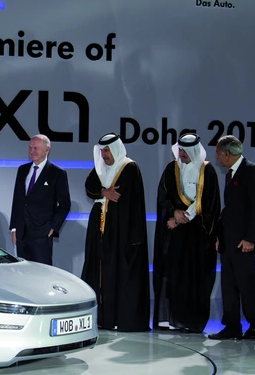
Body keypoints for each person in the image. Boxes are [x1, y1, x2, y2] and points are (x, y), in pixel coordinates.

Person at [81, 133, 150, 331]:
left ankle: (119, 319)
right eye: (102, 150)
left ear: (116, 150)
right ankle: (103, 317)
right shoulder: (100, 168)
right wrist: (104, 191)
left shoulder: (129, 167)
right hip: (100, 231)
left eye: (107, 150)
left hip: (121, 232)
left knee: (118, 273)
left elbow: (126, 199)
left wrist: (106, 193)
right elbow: (90, 186)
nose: (104, 155)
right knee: (98, 271)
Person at [152, 133, 220, 333]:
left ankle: (192, 322)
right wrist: (173, 212)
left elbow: (209, 202)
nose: (182, 153)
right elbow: (163, 196)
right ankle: (172, 320)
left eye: (185, 150)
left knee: (194, 277)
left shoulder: (207, 170)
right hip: (174, 234)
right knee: (173, 275)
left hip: (198, 235)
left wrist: (185, 216)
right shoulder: (171, 169)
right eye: (180, 149)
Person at [208, 135, 255, 340]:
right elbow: (230, 210)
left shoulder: (252, 171)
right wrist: (220, 236)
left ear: (227, 154)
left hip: (245, 242)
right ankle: (232, 326)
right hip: (229, 241)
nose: (217, 157)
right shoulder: (230, 174)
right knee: (228, 286)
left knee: (245, 285)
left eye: (218, 153)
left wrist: (250, 238)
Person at [9, 134, 71, 264]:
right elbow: (18, 200)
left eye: (35, 148)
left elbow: (64, 204)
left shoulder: (57, 173)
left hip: (42, 233)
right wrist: (14, 228)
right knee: (23, 270)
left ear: (46, 150)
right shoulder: (22, 170)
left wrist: (53, 227)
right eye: (30, 148)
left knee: (42, 271)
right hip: (21, 232)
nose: (32, 151)